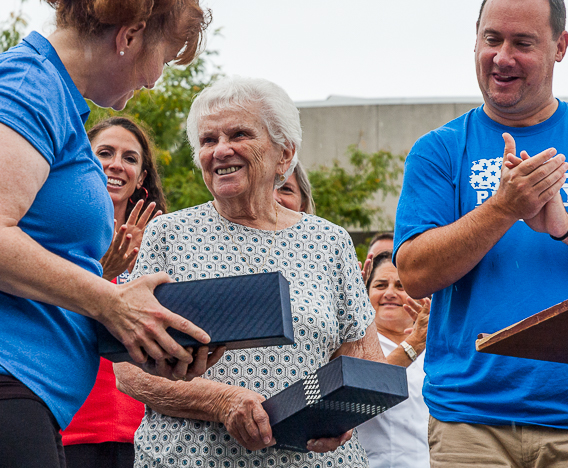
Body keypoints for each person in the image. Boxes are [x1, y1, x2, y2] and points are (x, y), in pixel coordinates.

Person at [114, 76, 386, 468]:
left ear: (284, 153)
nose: (221, 150)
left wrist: (343, 412)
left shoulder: (329, 242)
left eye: (239, 134)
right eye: (208, 141)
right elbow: (129, 369)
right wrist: (221, 401)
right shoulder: (169, 235)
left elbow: (364, 359)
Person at [0, 2, 221, 466]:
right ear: (130, 37)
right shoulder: (27, 85)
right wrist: (112, 302)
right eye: (164, 56)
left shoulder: (57, 100)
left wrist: (143, 336)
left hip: (33, 399)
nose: (155, 78)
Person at [394, 0, 568, 466]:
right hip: (470, 424)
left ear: (560, 47)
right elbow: (414, 273)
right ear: (475, 39)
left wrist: (563, 225)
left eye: (522, 43)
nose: (502, 56)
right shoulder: (438, 149)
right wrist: (504, 207)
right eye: (492, 39)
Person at [61, 117, 167, 468]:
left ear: (143, 177)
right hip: (70, 425)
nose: (116, 164)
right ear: (84, 161)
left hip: (145, 432)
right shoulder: (53, 236)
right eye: (105, 152)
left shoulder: (166, 247)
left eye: (131, 158)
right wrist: (101, 276)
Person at [357, 250, 430, 468]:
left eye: (401, 286)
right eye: (380, 285)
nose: (390, 293)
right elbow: (360, 392)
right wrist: (414, 344)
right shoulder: (355, 344)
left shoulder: (437, 346)